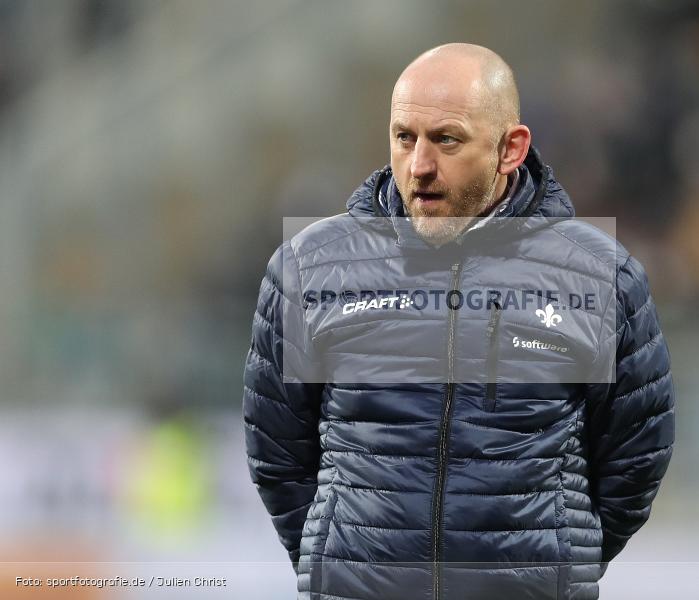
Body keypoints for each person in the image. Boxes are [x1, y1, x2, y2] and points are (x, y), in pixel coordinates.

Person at [243, 43, 674, 600]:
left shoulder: (600, 275)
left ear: (511, 148)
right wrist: (350, 566)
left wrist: (548, 565)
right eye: (404, 138)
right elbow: (277, 453)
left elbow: (634, 459)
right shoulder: (309, 266)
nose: (420, 165)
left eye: (446, 140)